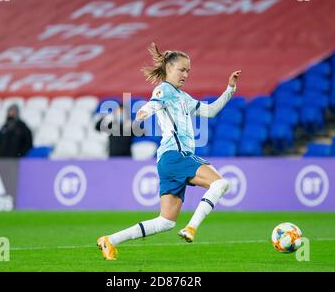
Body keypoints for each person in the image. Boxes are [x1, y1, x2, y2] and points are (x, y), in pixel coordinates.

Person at [97, 43, 241, 260]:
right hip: (175, 156)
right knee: (220, 183)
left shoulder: (183, 97)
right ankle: (191, 228)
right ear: (169, 69)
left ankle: (110, 240)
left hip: (169, 160)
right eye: (182, 70)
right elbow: (154, 102)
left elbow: (210, 111)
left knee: (165, 221)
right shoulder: (164, 90)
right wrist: (144, 111)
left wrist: (229, 90)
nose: (185, 74)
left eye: (188, 71)